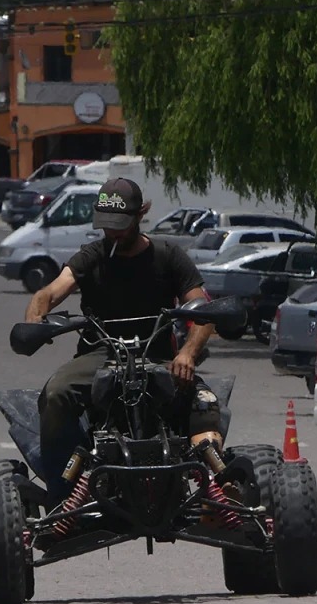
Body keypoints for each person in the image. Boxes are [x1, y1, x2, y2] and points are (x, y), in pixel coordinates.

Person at [23, 177, 220, 504]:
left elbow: (204, 310)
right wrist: (34, 324)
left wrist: (186, 354)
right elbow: (48, 294)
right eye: (107, 226)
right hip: (100, 354)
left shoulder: (168, 256)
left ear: (140, 215)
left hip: (156, 354)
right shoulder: (90, 257)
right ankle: (63, 493)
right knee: (57, 393)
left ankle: (216, 485)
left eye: (120, 225)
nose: (113, 233)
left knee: (206, 402)